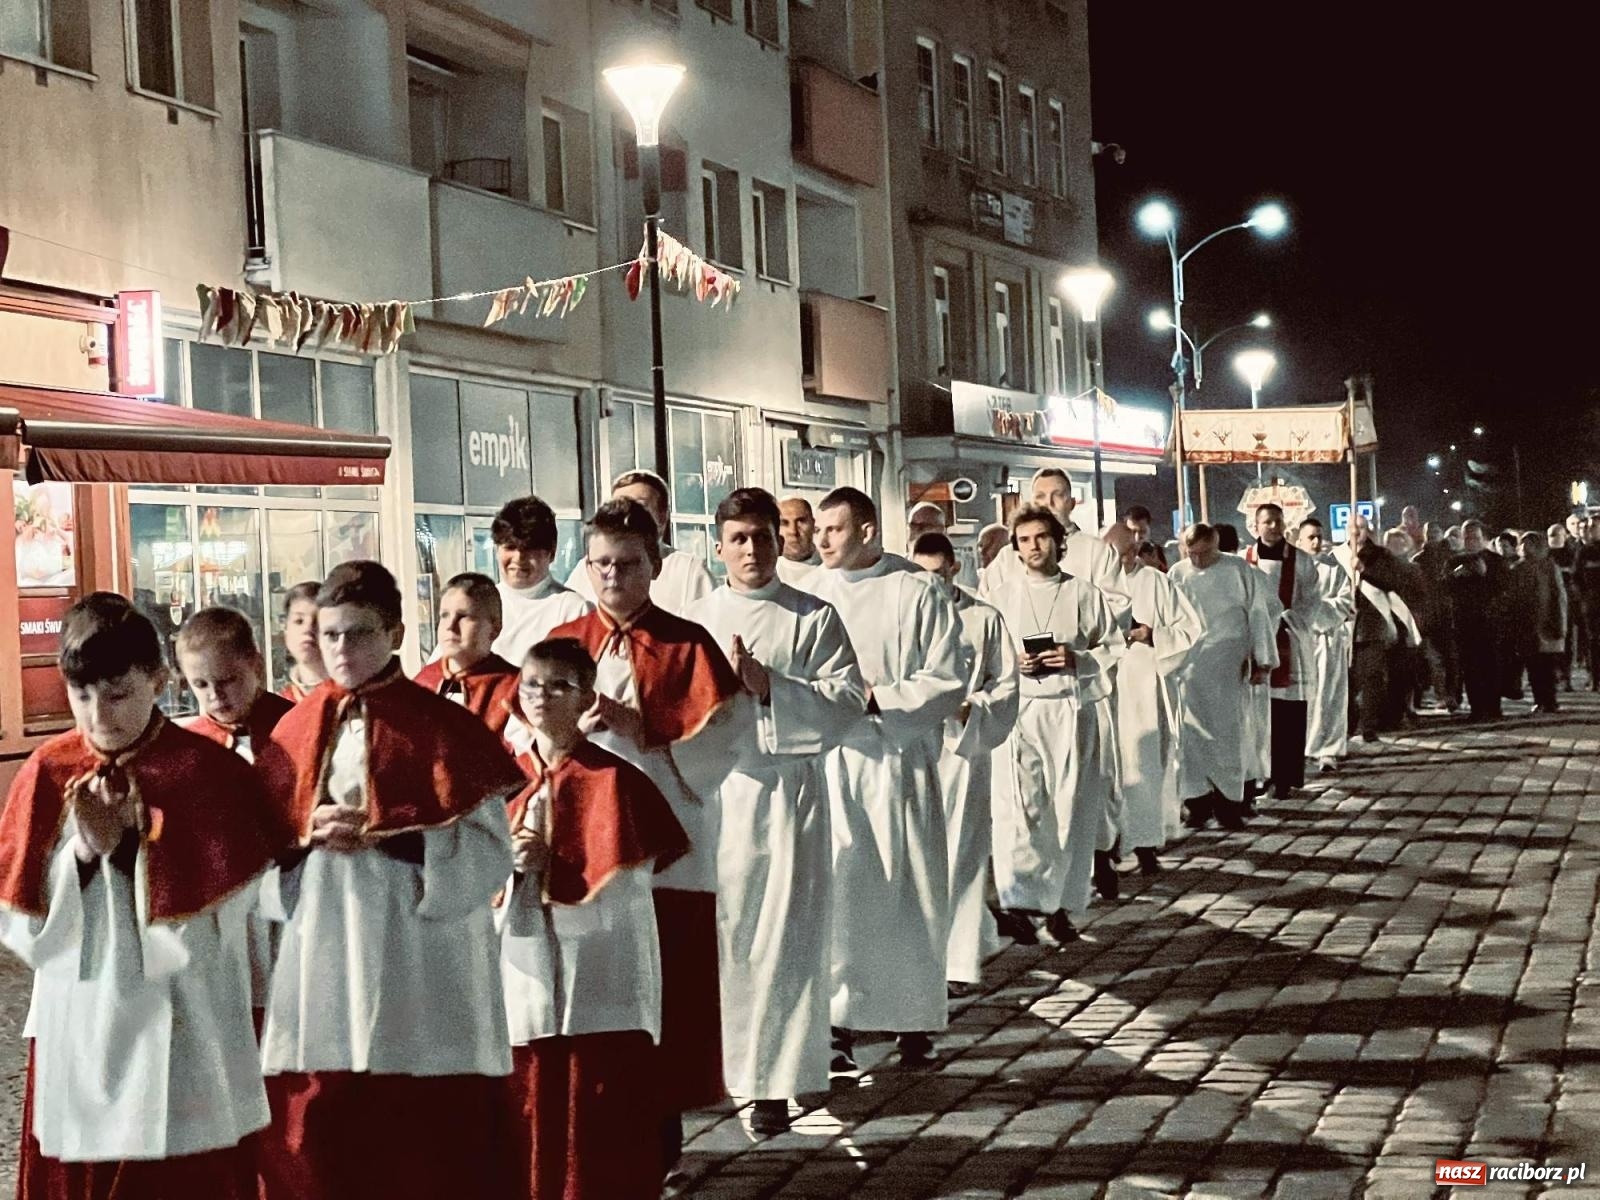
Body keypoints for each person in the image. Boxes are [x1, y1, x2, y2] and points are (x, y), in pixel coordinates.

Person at [254, 561, 526, 1200]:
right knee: (326, 1123)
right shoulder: (293, 730)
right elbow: (258, 854)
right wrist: (305, 835)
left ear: (396, 632)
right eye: (330, 636)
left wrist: (401, 838)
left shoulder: (443, 727)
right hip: (323, 942)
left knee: (423, 1133)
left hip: (417, 950)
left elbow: (489, 851)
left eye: (359, 634)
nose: (343, 651)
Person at [1, 594, 283, 1199]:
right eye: (81, 696)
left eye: (118, 693)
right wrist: (84, 854)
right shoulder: (48, 771)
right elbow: (20, 921)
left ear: (158, 679)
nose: (98, 714)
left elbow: (246, 909)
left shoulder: (209, 773)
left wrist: (130, 850)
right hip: (83, 1012)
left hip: (186, 1014)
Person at [550, 500, 749, 1181]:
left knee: (663, 998)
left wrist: (646, 731)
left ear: (654, 567)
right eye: (601, 562)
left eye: (627, 564)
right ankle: (594, 1138)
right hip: (584, 850)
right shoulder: (563, 641)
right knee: (594, 994)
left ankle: (661, 1142)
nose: (612, 576)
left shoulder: (687, 644)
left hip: (670, 850)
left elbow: (723, 744)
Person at [687, 489, 864, 1135]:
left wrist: (771, 689)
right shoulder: (696, 619)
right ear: (719, 547)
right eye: (738, 539)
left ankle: (776, 1083)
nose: (752, 551)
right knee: (729, 937)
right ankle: (730, 1069)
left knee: (788, 938)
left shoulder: (813, 615)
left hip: (790, 795)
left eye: (762, 537)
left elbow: (846, 698)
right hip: (720, 795)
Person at [499, 637, 689, 1200]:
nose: (542, 697)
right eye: (532, 684)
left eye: (560, 686)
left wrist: (558, 866)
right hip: (524, 973)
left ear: (586, 699)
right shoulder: (502, 781)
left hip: (597, 980)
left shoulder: (618, 781)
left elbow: (628, 890)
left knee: (598, 1114)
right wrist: (510, 870)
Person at [805, 487, 965, 1069]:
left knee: (907, 889)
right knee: (840, 892)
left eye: (835, 529)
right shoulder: (809, 592)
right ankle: (836, 1026)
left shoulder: (915, 589)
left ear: (868, 531)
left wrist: (878, 698)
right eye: (818, 529)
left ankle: (912, 1017)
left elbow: (947, 679)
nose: (821, 540)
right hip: (831, 761)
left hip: (896, 758)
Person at [982, 469, 1129, 894]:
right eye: (1024, 541)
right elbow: (986, 644)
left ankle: (1068, 892)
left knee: (1069, 804)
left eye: (1041, 539)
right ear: (1015, 546)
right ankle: (1025, 895)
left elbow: (1112, 645)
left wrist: (1075, 659)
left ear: (1058, 542)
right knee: (1022, 806)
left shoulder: (1084, 591)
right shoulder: (1001, 594)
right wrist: (1012, 662)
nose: (1033, 547)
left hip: (1070, 706)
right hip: (1020, 709)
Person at [909, 532, 1018, 995]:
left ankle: (956, 960)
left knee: (963, 853)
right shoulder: (907, 617)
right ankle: (917, 957)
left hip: (964, 752)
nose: (929, 585)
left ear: (954, 568)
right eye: (921, 576)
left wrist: (974, 708)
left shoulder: (983, 618)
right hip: (916, 751)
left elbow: (1007, 683)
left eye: (937, 574)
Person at [177, 606, 298, 1020]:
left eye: (228, 680)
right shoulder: (187, 748)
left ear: (257, 666)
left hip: (292, 902)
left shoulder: (296, 728)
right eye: (201, 684)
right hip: (222, 917)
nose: (215, 695)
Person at [1107, 523, 1201, 874]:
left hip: (1143, 685)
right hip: (1100, 689)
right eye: (1118, 554)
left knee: (1144, 764)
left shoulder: (1156, 582)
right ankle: (1106, 848)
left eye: (1132, 550)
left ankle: (1145, 843)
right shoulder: (1087, 585)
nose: (1127, 559)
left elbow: (1190, 629)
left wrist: (1153, 635)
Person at [1169, 524, 1276, 830]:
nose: (1198, 560)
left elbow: (1259, 614)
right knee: (1190, 737)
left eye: (1204, 553)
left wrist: (1261, 659)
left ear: (1216, 547)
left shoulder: (1239, 570)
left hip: (1229, 659)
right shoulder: (1177, 573)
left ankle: (1230, 802)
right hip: (1190, 663)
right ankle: (1197, 802)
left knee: (1229, 734)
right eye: (1192, 554)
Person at [1242, 503, 1329, 800]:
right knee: (1257, 715)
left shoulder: (1302, 561)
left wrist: (1285, 619)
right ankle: (1258, 775)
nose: (1274, 527)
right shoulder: (1243, 561)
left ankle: (1285, 776)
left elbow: (1312, 599)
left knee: (1287, 712)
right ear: (1255, 526)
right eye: (1267, 522)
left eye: (1278, 521)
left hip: (1289, 639)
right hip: (1254, 646)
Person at [567, 470, 716, 615]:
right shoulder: (586, 570)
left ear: (663, 517)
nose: (627, 517)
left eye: (639, 507)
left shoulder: (689, 571)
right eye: (619, 507)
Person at [1337, 517, 1423, 739]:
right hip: (1344, 626)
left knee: (1372, 677)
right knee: (1346, 680)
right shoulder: (1336, 556)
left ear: (1368, 531)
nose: (1356, 532)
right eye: (1352, 528)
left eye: (1361, 528)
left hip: (1372, 624)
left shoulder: (1381, 555)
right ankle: (1348, 724)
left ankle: (1369, 725)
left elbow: (1393, 581)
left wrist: (1364, 570)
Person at [489, 496, 592, 668]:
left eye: (529, 549)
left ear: (551, 552)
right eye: (510, 547)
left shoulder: (573, 609)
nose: (519, 558)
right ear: (497, 550)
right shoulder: (479, 602)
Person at [414, 571, 520, 734]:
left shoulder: (514, 688)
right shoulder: (423, 683)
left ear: (495, 628)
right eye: (444, 615)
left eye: (463, 616)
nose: (450, 626)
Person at [1297, 519, 1354, 772]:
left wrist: (1318, 611)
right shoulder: (1293, 568)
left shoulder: (1335, 568)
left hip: (1327, 639)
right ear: (1299, 540)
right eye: (1310, 537)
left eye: (1319, 536)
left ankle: (1328, 749)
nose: (1316, 542)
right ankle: (1301, 746)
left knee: (1328, 695)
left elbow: (1344, 601)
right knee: (1303, 695)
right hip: (1299, 640)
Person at [1447, 521, 1512, 719]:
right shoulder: (1455, 561)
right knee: (1470, 667)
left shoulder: (1495, 561)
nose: (1470, 541)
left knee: (1491, 665)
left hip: (1490, 622)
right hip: (1465, 622)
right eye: (1466, 537)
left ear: (1483, 538)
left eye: (1475, 537)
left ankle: (1493, 707)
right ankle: (1477, 707)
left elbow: (1504, 588)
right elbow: (1444, 587)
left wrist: (1484, 576)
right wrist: (1455, 575)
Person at [1513, 531, 1568, 713]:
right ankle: (1539, 700)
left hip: (1547, 622)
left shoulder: (1549, 566)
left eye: (1529, 543)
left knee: (1548, 665)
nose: (1524, 547)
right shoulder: (1518, 568)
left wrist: (1560, 623)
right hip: (1526, 624)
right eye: (1523, 544)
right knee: (1533, 665)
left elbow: (1558, 596)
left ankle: (1550, 700)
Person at [280, 580, 327, 701]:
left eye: (318, 622)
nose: (308, 629)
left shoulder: (351, 697)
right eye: (299, 621)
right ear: (285, 629)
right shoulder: (282, 703)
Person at [1549, 522, 1579, 690]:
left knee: (1567, 642)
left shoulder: (1571, 554)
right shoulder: (1546, 557)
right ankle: (1555, 674)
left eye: (1557, 534)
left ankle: (1566, 677)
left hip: (1567, 604)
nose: (1554, 539)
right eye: (1551, 535)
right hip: (1550, 605)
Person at [1572, 518, 1600, 690]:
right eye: (1588, 527)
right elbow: (1576, 577)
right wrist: (1584, 597)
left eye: (1594, 526)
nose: (1590, 530)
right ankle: (1595, 678)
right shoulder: (1584, 552)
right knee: (1593, 641)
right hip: (1592, 604)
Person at [777, 495, 821, 586]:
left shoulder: (835, 568)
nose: (793, 531)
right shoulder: (766, 573)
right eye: (784, 523)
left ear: (814, 525)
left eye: (801, 521)